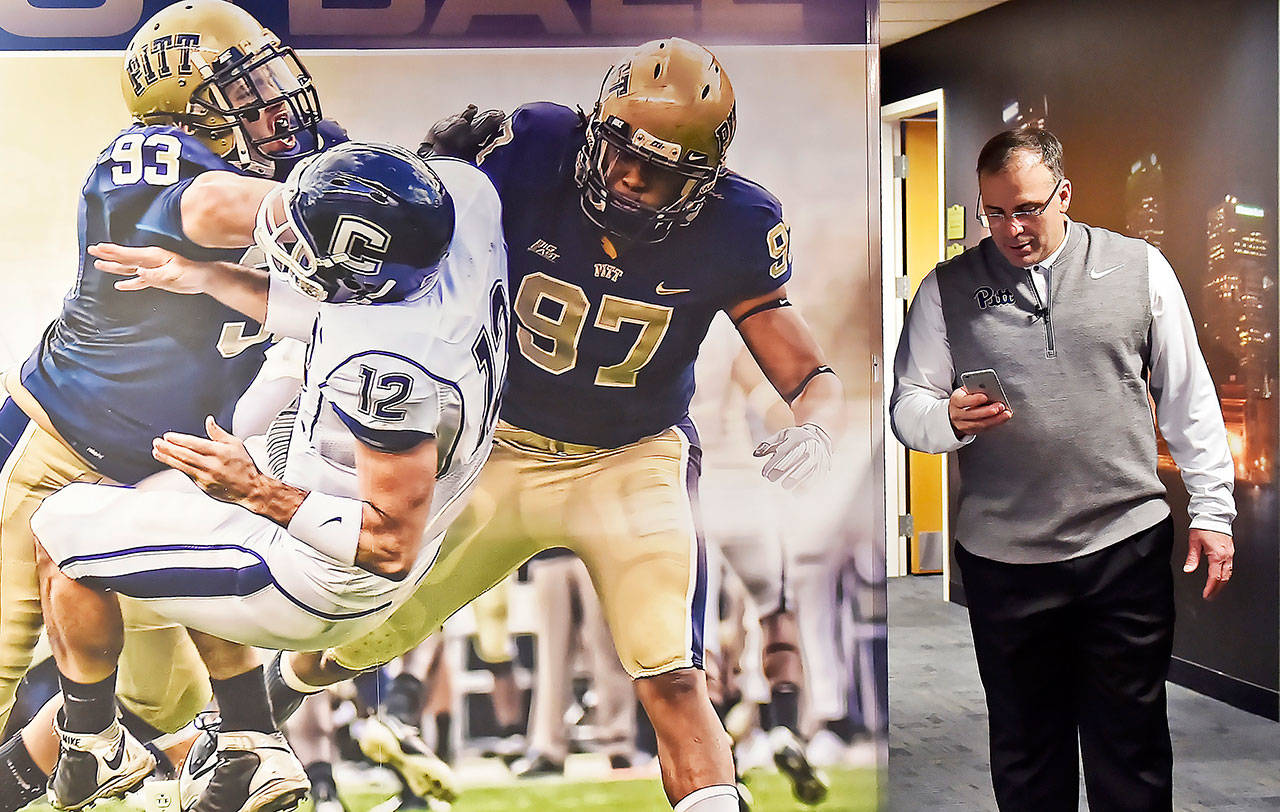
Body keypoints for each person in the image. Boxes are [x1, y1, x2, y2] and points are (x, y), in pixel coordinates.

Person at [265, 37, 844, 812]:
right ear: (596, 130)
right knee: (360, 635)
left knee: (671, 673)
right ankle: (248, 716)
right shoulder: (536, 149)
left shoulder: (740, 223)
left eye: (661, 168)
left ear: (703, 180)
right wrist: (430, 169)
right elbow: (400, 223)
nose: (630, 178)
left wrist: (818, 424)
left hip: (631, 460)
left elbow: (807, 372)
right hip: (500, 449)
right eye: (621, 153)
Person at [31, 141, 507, 812]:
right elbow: (339, 310)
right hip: (388, 517)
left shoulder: (387, 367)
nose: (284, 239)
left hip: (323, 575)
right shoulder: (464, 210)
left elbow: (387, 545)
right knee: (175, 502)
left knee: (59, 526)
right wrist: (203, 276)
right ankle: (248, 743)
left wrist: (257, 492)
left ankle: (96, 745)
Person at [0, 1, 345, 807]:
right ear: (191, 107)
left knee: (166, 704)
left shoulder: (311, 160)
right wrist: (294, 213)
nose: (273, 104)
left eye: (270, 78)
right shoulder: (151, 159)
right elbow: (216, 208)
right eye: (245, 87)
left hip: (161, 473)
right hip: (56, 445)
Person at [890, 127, 1236, 811]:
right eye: (994, 212)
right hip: (1005, 560)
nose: (1011, 228)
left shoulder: (1139, 267)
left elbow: (1190, 398)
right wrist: (949, 420)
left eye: (1027, 209)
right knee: (1026, 753)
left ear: (1064, 196)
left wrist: (1215, 513)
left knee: (1129, 747)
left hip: (1124, 548)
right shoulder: (946, 289)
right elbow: (908, 405)